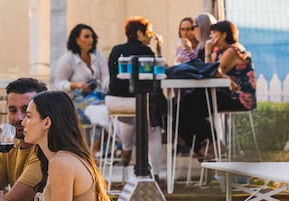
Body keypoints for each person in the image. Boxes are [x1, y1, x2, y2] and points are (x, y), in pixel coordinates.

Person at [177, 20, 256, 156]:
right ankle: (207, 146)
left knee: (187, 105)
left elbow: (209, 72)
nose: (211, 36)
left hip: (237, 97)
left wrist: (207, 51)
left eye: (214, 33)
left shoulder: (234, 50)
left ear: (224, 35)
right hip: (220, 94)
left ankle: (211, 145)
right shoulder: (220, 51)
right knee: (180, 107)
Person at [105, 16, 166, 175]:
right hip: (136, 102)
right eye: (148, 33)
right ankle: (157, 173)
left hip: (115, 102)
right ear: (139, 33)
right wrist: (158, 50)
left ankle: (126, 156)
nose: (150, 37)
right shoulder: (145, 51)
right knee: (153, 128)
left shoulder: (116, 50)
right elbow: (156, 75)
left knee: (129, 120)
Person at [52, 23, 109, 130]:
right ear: (77, 40)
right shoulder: (68, 59)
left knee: (110, 109)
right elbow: (58, 84)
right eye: (87, 36)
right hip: (77, 99)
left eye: (92, 37)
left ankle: (99, 143)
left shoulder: (98, 55)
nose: (91, 40)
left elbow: (106, 78)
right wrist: (76, 85)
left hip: (98, 94)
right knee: (101, 112)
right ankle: (96, 144)